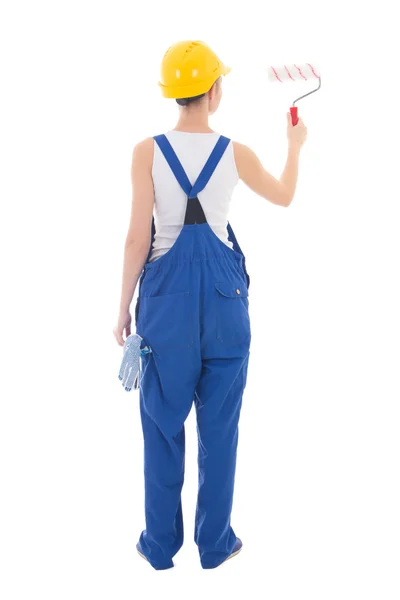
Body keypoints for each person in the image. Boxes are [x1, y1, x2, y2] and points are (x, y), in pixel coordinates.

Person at [113, 40, 307, 570]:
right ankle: (216, 544)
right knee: (220, 430)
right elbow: (286, 195)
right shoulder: (236, 152)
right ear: (214, 90)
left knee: (160, 425)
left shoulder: (146, 152)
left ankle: (159, 545)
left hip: (165, 307)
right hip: (226, 305)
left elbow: (137, 240)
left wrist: (122, 308)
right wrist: (295, 144)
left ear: (173, 94)